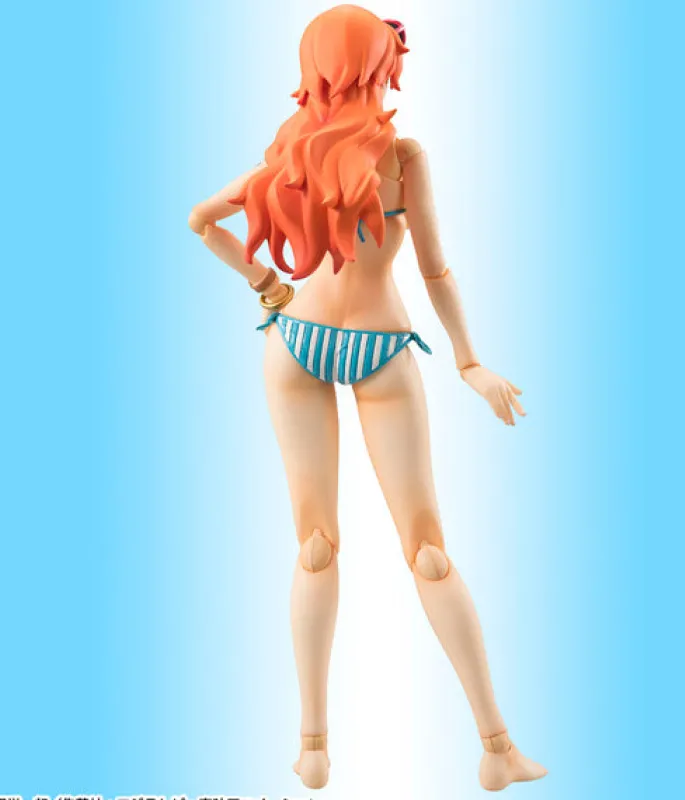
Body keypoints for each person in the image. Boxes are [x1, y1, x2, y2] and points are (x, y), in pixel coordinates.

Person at [188, 5, 547, 791]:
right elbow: (435, 270)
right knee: (427, 552)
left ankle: (313, 748)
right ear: (381, 68)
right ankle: (496, 748)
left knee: (315, 544)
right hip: (382, 346)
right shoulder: (403, 158)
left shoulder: (286, 156)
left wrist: (268, 285)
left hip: (296, 341)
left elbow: (202, 221)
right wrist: (468, 361)